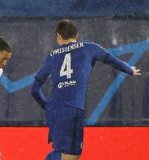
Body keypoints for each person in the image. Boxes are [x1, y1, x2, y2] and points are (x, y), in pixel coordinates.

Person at [31, 20, 141, 160]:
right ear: (76, 35)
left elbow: (34, 89)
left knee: (68, 153)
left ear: (58, 36)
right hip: (72, 109)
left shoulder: (51, 56)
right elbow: (109, 59)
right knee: (69, 154)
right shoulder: (89, 47)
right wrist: (129, 69)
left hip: (55, 109)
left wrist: (48, 107)